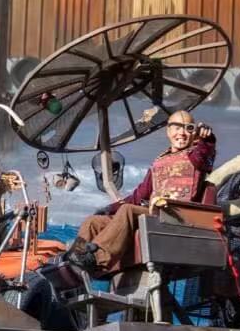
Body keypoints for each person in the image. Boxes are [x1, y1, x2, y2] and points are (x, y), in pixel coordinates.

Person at [68, 110, 216, 273]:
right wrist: (110, 208)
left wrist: (207, 139)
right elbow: (139, 195)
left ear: (194, 132)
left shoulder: (196, 156)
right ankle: (76, 257)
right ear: (168, 131)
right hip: (155, 214)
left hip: (177, 215)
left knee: (128, 210)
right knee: (93, 221)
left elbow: (204, 154)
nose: (182, 133)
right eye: (177, 128)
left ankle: (97, 259)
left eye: (188, 128)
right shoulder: (159, 161)